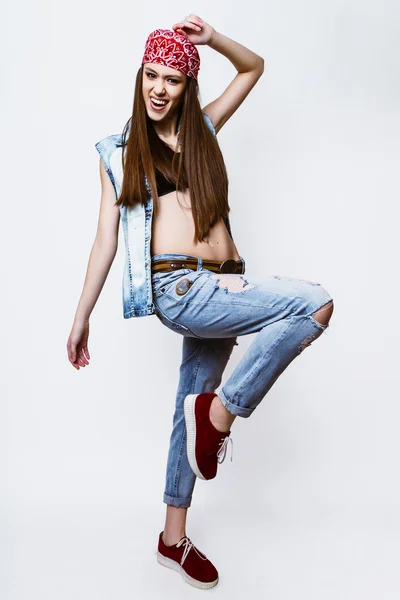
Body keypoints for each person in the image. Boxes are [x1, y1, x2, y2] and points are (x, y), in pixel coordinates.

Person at [67, 15, 334, 590]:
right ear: (140, 78)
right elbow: (104, 241)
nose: (159, 89)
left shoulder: (203, 132)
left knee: (185, 408)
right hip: (181, 290)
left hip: (226, 284)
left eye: (173, 79)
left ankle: (171, 536)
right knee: (314, 304)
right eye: (151, 77)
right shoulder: (120, 154)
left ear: (188, 87)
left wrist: (212, 42)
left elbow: (253, 67)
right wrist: (81, 317)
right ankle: (218, 416)